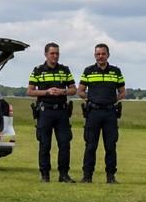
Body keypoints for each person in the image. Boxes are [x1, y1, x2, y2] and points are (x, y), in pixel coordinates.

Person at [27, 42, 76, 183]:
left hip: (61, 111)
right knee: (45, 144)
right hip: (45, 111)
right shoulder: (38, 70)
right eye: (52, 53)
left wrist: (63, 91)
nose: (55, 56)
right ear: (46, 54)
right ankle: (45, 175)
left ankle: (64, 175)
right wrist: (46, 91)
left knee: (65, 143)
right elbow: (30, 91)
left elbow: (74, 89)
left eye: (57, 53)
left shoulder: (65, 70)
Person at [77, 43, 125, 183]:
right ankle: (87, 176)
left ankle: (111, 177)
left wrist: (111, 100)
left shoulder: (116, 71)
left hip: (110, 112)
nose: (100, 56)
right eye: (98, 54)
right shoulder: (88, 71)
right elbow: (80, 91)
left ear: (108, 55)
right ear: (94, 55)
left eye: (103, 54)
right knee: (91, 145)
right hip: (93, 112)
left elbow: (123, 92)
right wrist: (91, 98)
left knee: (110, 146)